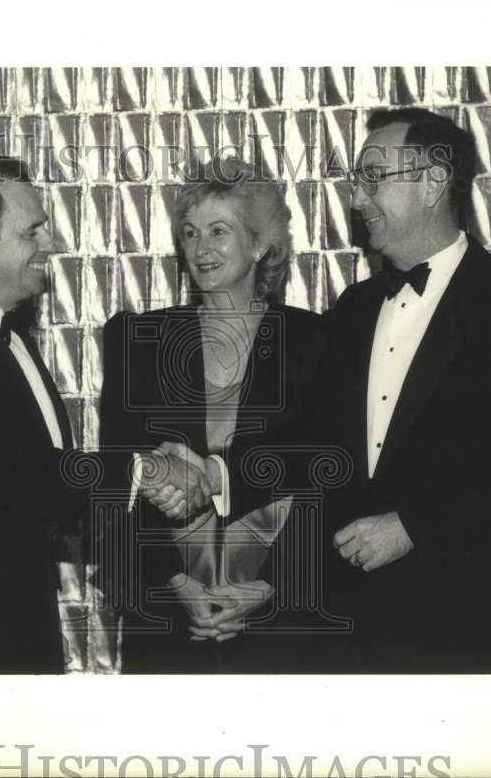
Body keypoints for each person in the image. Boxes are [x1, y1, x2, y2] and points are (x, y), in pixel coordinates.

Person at [0, 156, 210, 674]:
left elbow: (48, 484)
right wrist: (144, 470)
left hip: (15, 628)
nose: (48, 245)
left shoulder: (10, 338)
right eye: (32, 232)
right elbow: (12, 472)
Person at [279, 107, 491, 672]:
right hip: (338, 639)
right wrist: (214, 475)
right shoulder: (352, 311)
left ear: (433, 182)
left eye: (373, 177)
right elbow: (306, 449)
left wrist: (415, 527)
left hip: (457, 632)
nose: (356, 199)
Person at [98, 157, 326, 673]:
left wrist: (269, 588)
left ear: (261, 243)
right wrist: (177, 586)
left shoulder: (318, 342)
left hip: (282, 620)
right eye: (190, 233)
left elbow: (328, 476)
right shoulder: (139, 340)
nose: (201, 249)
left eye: (219, 231)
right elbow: (117, 484)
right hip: (166, 616)